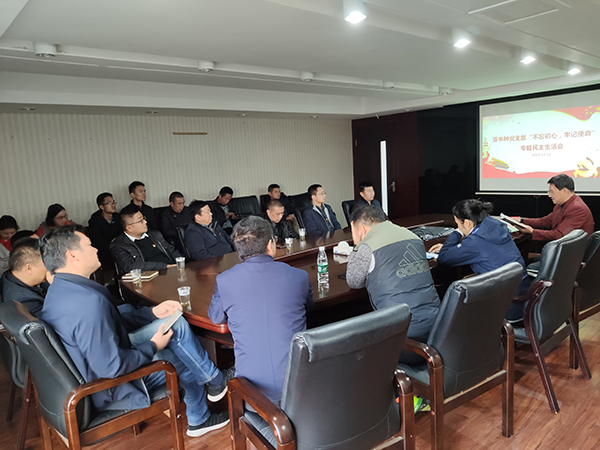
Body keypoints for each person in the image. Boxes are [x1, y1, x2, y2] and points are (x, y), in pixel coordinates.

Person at [39, 226, 232, 437]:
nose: (95, 249)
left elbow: (111, 323)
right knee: (182, 358)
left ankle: (214, 380)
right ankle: (200, 418)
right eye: (89, 245)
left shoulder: (60, 290)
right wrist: (153, 346)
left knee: (175, 323)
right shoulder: (87, 302)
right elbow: (112, 367)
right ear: (72, 255)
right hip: (109, 388)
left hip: (97, 364)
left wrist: (152, 313)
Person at [209, 216, 313, 408]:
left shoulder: (225, 280)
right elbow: (309, 309)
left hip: (253, 396)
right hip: (301, 388)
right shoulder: (299, 277)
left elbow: (215, 317)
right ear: (270, 245)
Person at [346, 205, 440, 346]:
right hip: (437, 326)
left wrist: (356, 246)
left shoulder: (367, 247)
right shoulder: (413, 236)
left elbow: (354, 281)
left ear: (359, 228)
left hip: (401, 333)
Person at [428, 199, 529, 321]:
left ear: (467, 223)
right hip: (520, 296)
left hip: (503, 306)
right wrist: (457, 246)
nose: (458, 227)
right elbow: (482, 245)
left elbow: (443, 258)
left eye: (458, 224)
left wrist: (457, 233)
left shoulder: (474, 243)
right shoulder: (496, 224)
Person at [517, 174, 594, 241]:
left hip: (574, 252)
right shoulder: (562, 204)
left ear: (564, 191)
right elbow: (544, 222)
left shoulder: (577, 208)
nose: (549, 195)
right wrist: (521, 221)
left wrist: (532, 231)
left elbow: (559, 235)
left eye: (552, 192)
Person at [110, 204, 181, 273]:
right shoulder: (119, 245)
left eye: (144, 218)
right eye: (141, 221)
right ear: (129, 228)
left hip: (172, 270)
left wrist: (179, 263)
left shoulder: (155, 234)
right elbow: (131, 266)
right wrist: (165, 266)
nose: (145, 222)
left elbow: (171, 250)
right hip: (150, 275)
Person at [0, 238, 49, 317]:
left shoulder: (9, 275)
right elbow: (58, 321)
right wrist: (57, 286)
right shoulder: (24, 301)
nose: (52, 267)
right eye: (48, 264)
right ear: (29, 268)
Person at [88, 193, 122, 268]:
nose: (113, 205)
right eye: (109, 203)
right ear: (101, 207)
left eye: (114, 202)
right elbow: (98, 241)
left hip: (119, 247)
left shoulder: (118, 217)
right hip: (104, 250)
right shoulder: (95, 220)